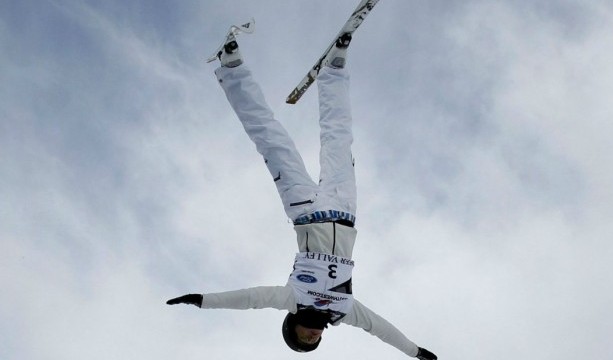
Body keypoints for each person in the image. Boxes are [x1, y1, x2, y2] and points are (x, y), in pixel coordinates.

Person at [167, 30, 438, 360]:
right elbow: (380, 328)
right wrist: (415, 352)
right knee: (339, 139)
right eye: (315, 340)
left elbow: (251, 298)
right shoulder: (345, 310)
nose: (312, 334)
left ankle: (232, 67)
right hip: (345, 210)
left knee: (271, 139)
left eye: (304, 338)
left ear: (292, 326)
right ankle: (334, 71)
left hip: (305, 210)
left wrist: (203, 299)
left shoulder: (292, 298)